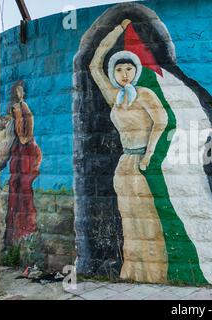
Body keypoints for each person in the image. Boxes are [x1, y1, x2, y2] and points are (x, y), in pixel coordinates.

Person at [89, 19, 169, 283]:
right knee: (129, 221)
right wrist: (118, 30)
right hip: (124, 164)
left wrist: (148, 155)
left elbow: (162, 121)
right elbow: (94, 64)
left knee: (147, 219)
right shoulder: (115, 98)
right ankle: (133, 271)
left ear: (135, 71)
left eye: (129, 68)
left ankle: (154, 273)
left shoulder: (145, 94)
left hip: (141, 162)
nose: (124, 74)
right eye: (120, 69)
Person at [3, 81, 42, 247]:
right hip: (19, 152)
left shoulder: (22, 107)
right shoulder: (15, 108)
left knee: (25, 190)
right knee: (16, 189)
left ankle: (25, 232)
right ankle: (14, 235)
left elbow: (26, 132)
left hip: (26, 151)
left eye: (21, 90)